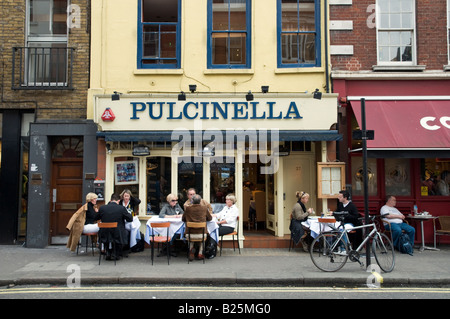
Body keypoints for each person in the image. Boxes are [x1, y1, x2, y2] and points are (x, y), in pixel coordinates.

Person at [97, 193, 133, 260]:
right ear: (118, 201)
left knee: (108, 234)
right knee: (124, 232)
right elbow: (130, 219)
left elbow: (96, 217)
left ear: (110, 200)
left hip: (104, 232)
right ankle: (115, 253)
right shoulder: (121, 208)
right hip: (117, 232)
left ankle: (108, 252)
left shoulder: (102, 208)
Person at [183, 194, 213, 260]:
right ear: (200, 201)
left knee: (192, 235)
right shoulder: (204, 208)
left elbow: (183, 219)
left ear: (192, 201)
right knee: (201, 236)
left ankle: (191, 250)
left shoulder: (188, 208)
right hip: (202, 234)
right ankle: (200, 253)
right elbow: (210, 218)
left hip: (190, 234)